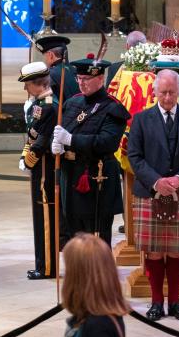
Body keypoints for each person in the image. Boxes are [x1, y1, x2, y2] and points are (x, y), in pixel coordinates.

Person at [127, 69, 179, 321]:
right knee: (154, 251)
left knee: (176, 250)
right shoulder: (141, 119)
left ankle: (174, 301)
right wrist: (156, 182)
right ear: (155, 92)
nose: (168, 98)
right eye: (163, 92)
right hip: (150, 193)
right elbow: (135, 157)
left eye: (172, 93)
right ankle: (156, 302)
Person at [52, 54, 130, 245]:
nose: (81, 83)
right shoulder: (71, 103)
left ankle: (98, 274)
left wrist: (71, 139)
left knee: (96, 237)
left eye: (87, 79)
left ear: (100, 79)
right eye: (79, 78)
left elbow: (107, 142)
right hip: (70, 177)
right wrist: (56, 146)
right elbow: (61, 132)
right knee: (73, 235)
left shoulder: (112, 108)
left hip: (96, 180)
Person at [18, 61, 60, 280]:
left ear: (37, 84)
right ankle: (41, 264)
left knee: (45, 218)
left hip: (45, 170)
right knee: (39, 216)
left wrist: (29, 160)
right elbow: (32, 135)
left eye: (27, 85)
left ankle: (47, 267)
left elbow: (41, 141)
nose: (25, 89)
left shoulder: (48, 106)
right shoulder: (39, 104)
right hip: (39, 168)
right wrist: (25, 156)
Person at [34, 34, 79, 105]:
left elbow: (48, 104)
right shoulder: (76, 70)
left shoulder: (49, 75)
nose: (45, 60)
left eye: (45, 56)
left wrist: (31, 108)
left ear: (50, 55)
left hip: (62, 115)